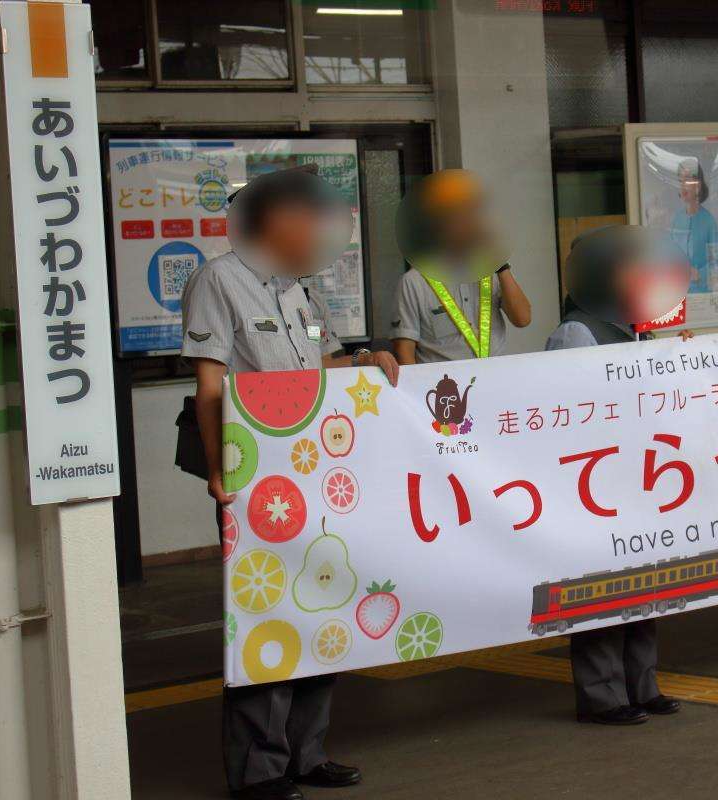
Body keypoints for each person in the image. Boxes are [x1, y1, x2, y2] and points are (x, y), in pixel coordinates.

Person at [182, 166, 399, 800]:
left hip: (315, 470)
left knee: (320, 604)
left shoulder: (299, 287)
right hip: (255, 479)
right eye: (307, 216)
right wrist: (219, 474)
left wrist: (362, 359)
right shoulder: (217, 281)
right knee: (265, 615)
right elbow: (210, 387)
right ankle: (259, 769)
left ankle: (307, 752)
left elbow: (320, 363)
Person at [547, 227, 689, 726]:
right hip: (597, 481)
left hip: (640, 475)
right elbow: (567, 412)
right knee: (603, 585)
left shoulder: (636, 329)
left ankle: (642, 684)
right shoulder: (577, 332)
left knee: (645, 581)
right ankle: (602, 694)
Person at [391, 170, 532, 364]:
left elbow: (522, 318)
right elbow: (404, 351)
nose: (469, 225)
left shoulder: (490, 272)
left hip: (495, 382)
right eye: (459, 218)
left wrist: (500, 264)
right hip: (446, 389)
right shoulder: (414, 282)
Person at [668, 159, 718, 293]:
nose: (683, 186)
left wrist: (699, 274)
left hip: (702, 296)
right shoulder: (676, 219)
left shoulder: (708, 221)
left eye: (687, 180)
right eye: (680, 181)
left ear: (698, 185)